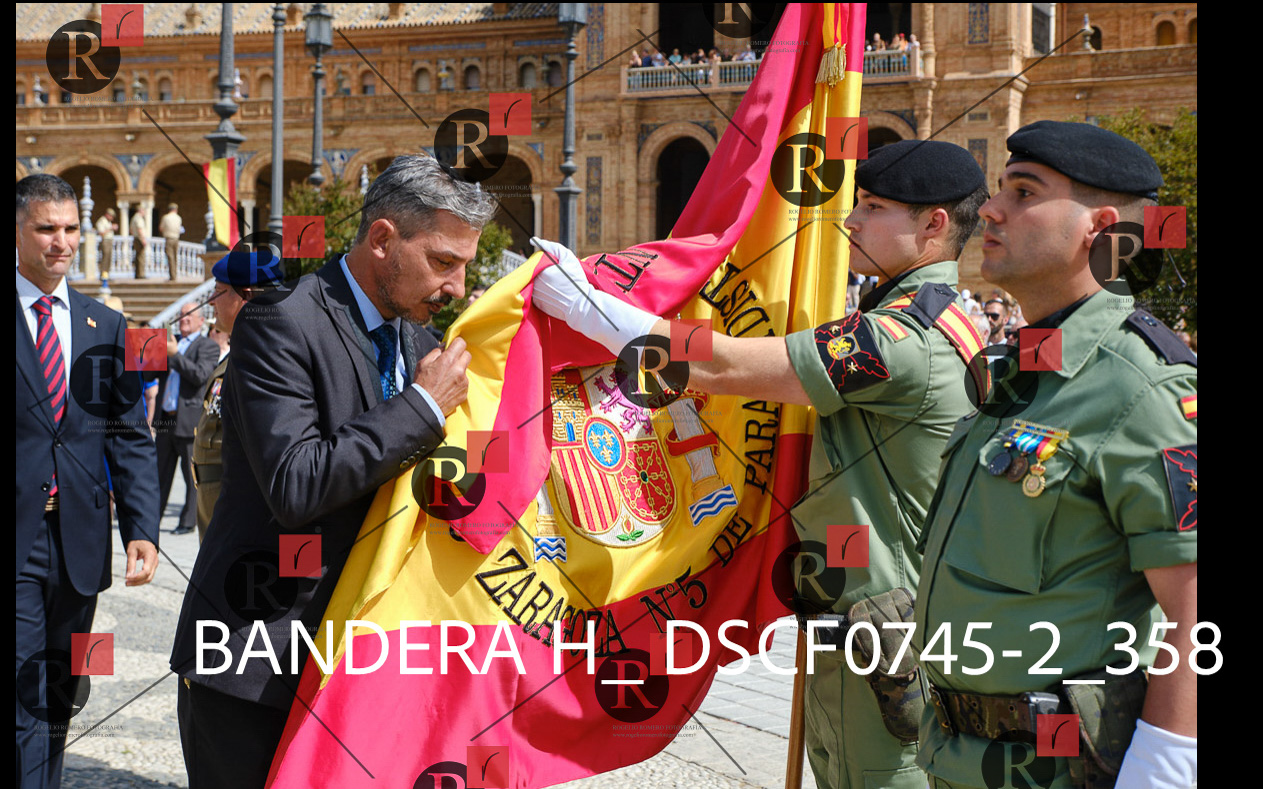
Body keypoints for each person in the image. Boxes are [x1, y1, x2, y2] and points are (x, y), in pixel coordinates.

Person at [531, 140, 991, 789]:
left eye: (874, 207)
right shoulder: (939, 319)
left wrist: (591, 310)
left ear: (933, 225)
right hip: (876, 621)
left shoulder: (903, 339)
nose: (851, 220)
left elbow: (728, 365)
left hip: (882, 635)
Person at [169, 154, 489, 787]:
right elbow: (297, 484)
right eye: (442, 262)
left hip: (367, 666)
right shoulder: (280, 321)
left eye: (464, 266)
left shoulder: (423, 342)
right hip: (258, 660)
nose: (455, 287)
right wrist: (422, 408)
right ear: (382, 240)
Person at [913, 121, 1197, 789]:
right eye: (998, 189)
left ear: (1098, 229)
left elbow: (1195, 610)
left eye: (1023, 192)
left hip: (1059, 767)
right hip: (957, 756)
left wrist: (1162, 769)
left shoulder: (1141, 385)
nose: (990, 209)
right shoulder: (1021, 370)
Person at [16, 173, 160, 789]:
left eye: (71, 228)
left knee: (60, 693)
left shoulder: (107, 325)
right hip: (18, 542)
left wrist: (142, 528)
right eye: (46, 228)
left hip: (79, 543)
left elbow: (129, 435)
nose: (63, 242)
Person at [190, 252, 269, 543]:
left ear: (244, 296)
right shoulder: (240, 351)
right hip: (217, 497)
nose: (211, 301)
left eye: (219, 292)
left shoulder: (262, 356)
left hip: (237, 502)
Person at [155, 302, 219, 536]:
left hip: (188, 420)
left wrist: (175, 355)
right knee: (158, 475)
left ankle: (187, 521)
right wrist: (149, 351)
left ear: (201, 321)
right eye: (182, 315)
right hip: (165, 420)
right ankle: (152, 519)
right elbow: (150, 374)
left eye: (190, 315)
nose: (184, 319)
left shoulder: (208, 346)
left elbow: (200, 375)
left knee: (191, 477)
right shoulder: (169, 342)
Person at [159, 203, 183, 281]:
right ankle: (174, 275)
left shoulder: (165, 218)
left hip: (169, 238)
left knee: (170, 257)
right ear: (176, 210)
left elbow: (161, 228)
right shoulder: (178, 218)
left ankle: (172, 276)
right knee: (175, 257)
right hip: (176, 238)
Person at [94, 207, 118, 281]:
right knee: (105, 258)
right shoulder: (102, 221)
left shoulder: (108, 222)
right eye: (111, 216)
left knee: (109, 259)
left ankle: (106, 274)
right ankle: (103, 275)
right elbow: (101, 233)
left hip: (110, 240)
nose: (112, 218)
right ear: (107, 215)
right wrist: (111, 228)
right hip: (105, 241)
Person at [130, 207, 149, 278]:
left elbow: (131, 230)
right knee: (141, 257)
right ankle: (141, 274)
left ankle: (137, 273)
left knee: (138, 256)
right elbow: (139, 229)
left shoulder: (134, 218)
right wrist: (143, 239)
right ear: (141, 211)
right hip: (139, 238)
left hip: (136, 238)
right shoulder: (139, 218)